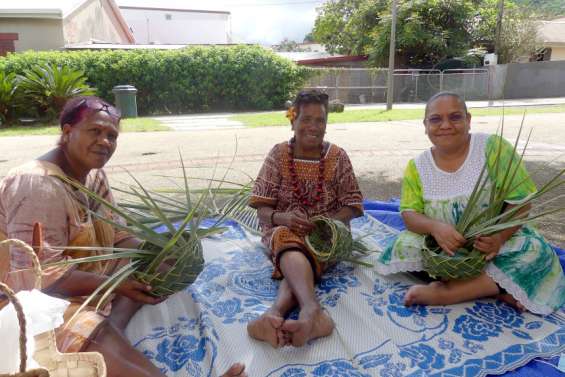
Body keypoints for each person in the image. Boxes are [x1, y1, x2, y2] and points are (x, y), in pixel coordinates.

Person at [0, 96, 246, 377]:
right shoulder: (36, 184)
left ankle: (109, 330)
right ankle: (104, 335)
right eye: (95, 131)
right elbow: (34, 276)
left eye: (112, 136)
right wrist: (115, 286)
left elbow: (118, 236)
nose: (105, 142)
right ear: (67, 132)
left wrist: (158, 255)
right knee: (84, 326)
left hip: (86, 281)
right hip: (24, 299)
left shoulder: (92, 176)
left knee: (146, 275)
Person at [375, 91, 565, 315]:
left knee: (534, 252)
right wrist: (435, 228)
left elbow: (522, 203)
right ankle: (493, 288)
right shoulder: (417, 166)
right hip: (445, 246)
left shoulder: (492, 148)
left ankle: (448, 293)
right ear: (425, 125)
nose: (446, 125)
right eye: (436, 119)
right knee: (403, 247)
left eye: (455, 117)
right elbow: (409, 214)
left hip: (492, 246)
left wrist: (499, 237)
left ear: (469, 120)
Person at [247, 89, 364, 348]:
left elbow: (353, 204)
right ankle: (312, 311)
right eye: (306, 119)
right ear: (293, 121)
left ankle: (273, 314)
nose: (313, 126)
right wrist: (283, 217)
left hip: (325, 238)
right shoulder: (278, 154)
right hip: (283, 231)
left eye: (320, 120)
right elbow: (262, 208)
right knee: (288, 239)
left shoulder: (337, 156)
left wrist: (327, 225)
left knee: (303, 254)